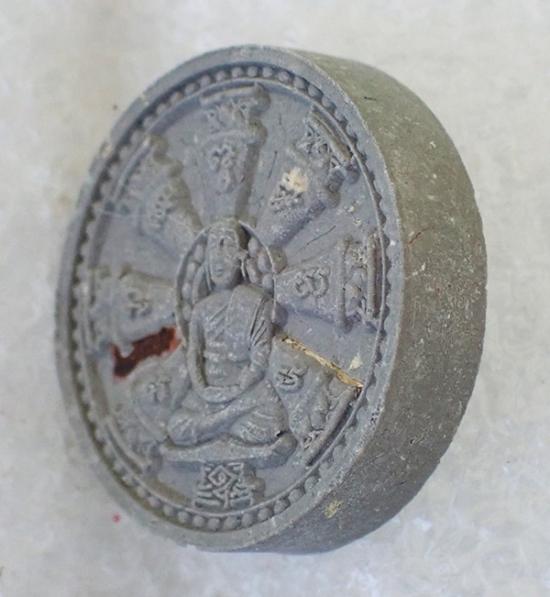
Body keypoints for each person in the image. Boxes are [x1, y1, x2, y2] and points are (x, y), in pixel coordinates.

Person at [167, 218, 290, 450]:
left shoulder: (256, 302)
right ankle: (225, 422)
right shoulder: (201, 309)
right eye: (214, 248)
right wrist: (202, 388)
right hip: (208, 397)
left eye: (227, 246)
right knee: (176, 425)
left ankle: (215, 426)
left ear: (242, 257)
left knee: (274, 417)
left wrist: (242, 386)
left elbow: (261, 354)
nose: (219, 258)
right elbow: (194, 353)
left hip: (245, 392)